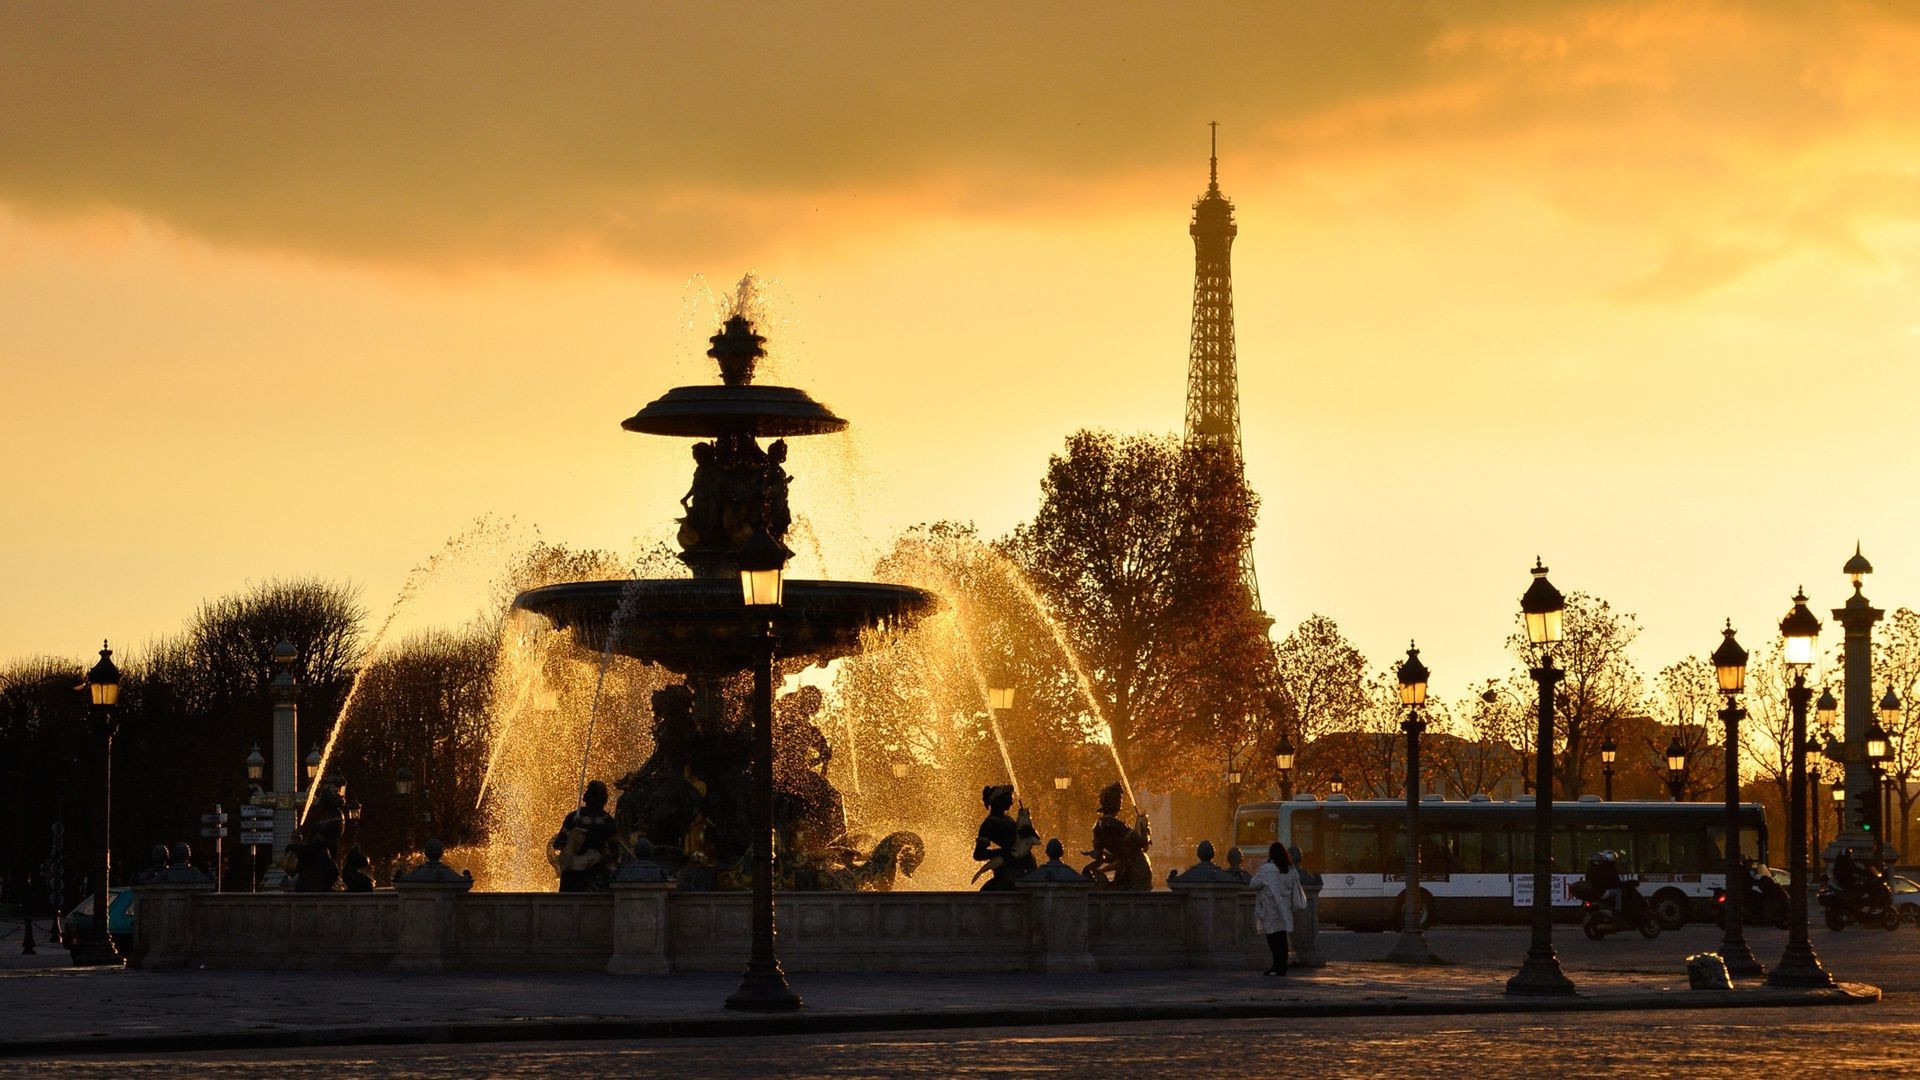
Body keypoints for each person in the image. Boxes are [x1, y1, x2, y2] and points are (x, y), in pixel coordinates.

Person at [549, 780, 620, 892]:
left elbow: (615, 850)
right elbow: (558, 843)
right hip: (574, 874)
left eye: (595, 794)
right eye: (591, 793)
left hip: (594, 874)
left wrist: (600, 858)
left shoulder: (606, 822)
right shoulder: (575, 818)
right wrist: (571, 843)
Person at [1249, 841, 1306, 976]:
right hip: (1285, 909)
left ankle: (1277, 965)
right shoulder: (1290, 870)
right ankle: (1281, 966)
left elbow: (1253, 884)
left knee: (1272, 938)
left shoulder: (1267, 869)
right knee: (1282, 938)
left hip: (1270, 909)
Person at [971, 785, 1036, 891]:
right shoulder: (989, 824)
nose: (1011, 803)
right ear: (997, 801)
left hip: (1024, 863)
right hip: (1007, 868)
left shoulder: (1009, 820)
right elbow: (978, 854)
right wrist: (1002, 852)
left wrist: (1028, 827)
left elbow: (1029, 838)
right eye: (1008, 799)